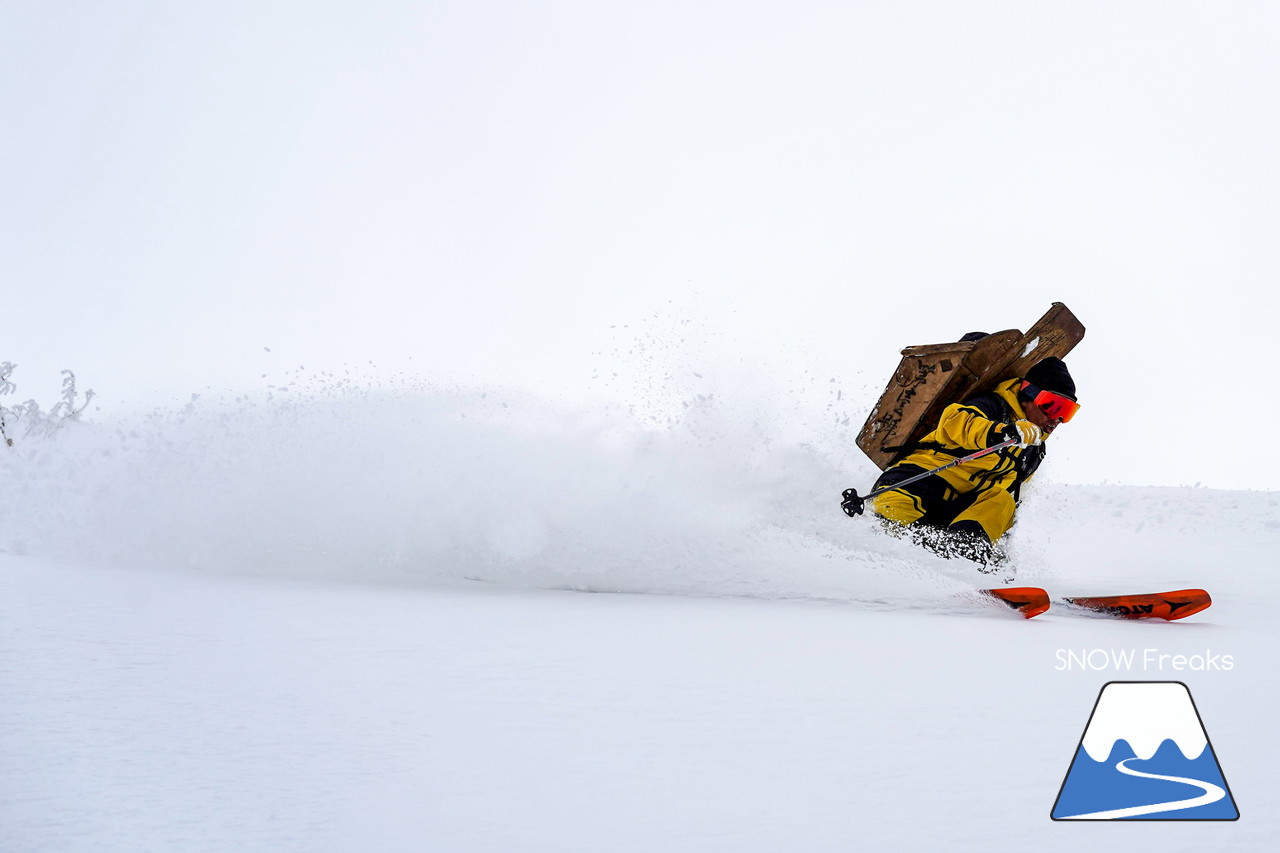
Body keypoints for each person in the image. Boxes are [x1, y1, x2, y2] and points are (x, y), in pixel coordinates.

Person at [867, 356, 1079, 567]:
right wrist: (1003, 432)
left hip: (952, 516)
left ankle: (965, 560)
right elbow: (954, 423)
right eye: (1053, 406)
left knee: (1002, 500)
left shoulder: (1034, 452)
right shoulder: (994, 407)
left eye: (1067, 412)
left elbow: (1007, 505)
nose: (1057, 419)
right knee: (884, 541)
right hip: (914, 487)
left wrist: (1001, 559)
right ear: (1028, 396)